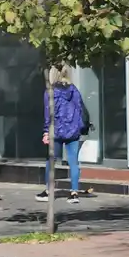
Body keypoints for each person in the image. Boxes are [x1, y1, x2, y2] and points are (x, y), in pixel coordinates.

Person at [39, 65, 90, 204]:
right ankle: (74, 193)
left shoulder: (50, 92)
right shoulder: (74, 90)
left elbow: (47, 114)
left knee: (51, 160)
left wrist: (45, 131)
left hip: (56, 130)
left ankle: (49, 190)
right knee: (73, 161)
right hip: (73, 131)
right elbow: (80, 109)